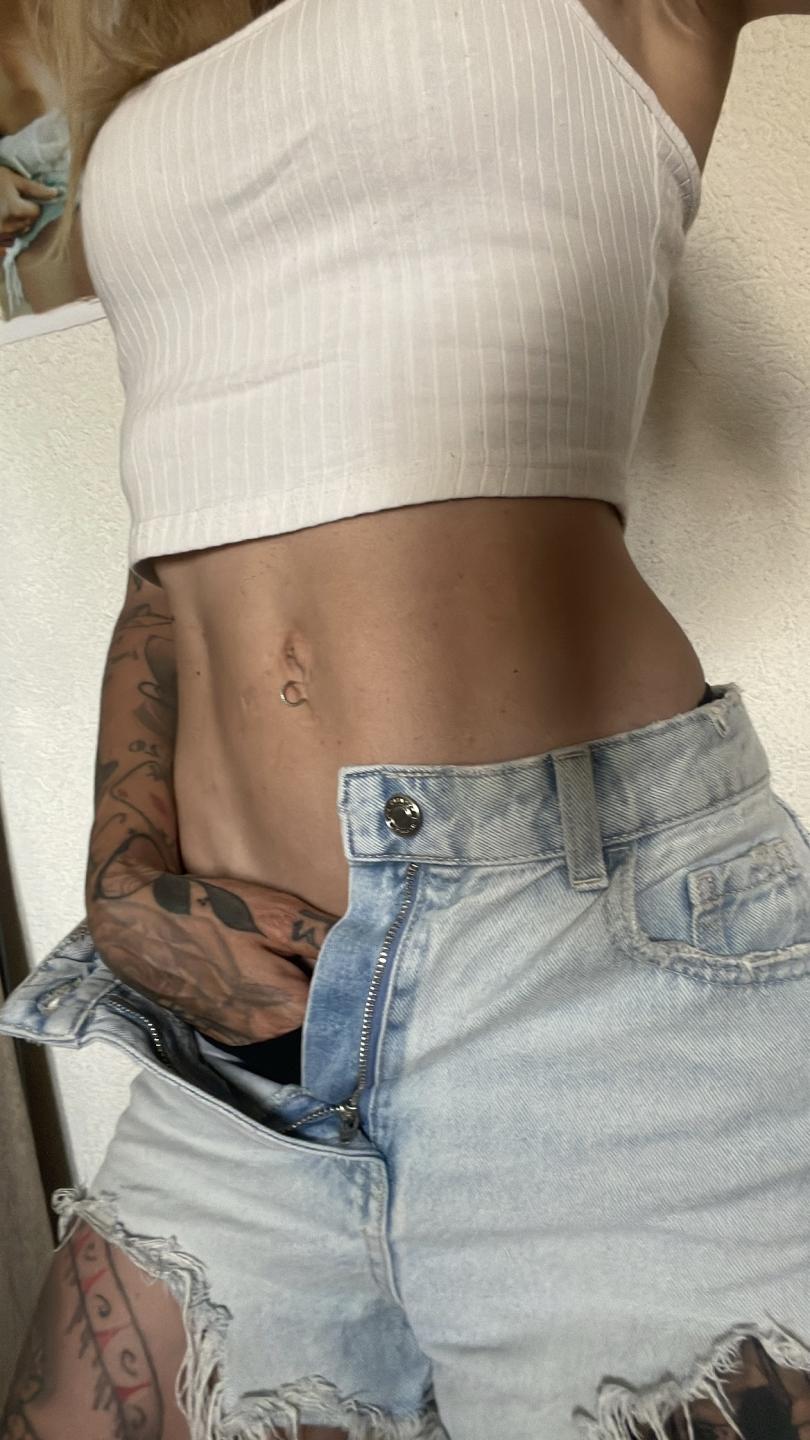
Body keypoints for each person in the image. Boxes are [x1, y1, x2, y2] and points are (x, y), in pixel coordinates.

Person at [2, 1, 810, 1437]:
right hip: (240, 1043)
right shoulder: (141, 64)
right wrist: (120, 877)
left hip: (596, 974)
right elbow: (172, 545)